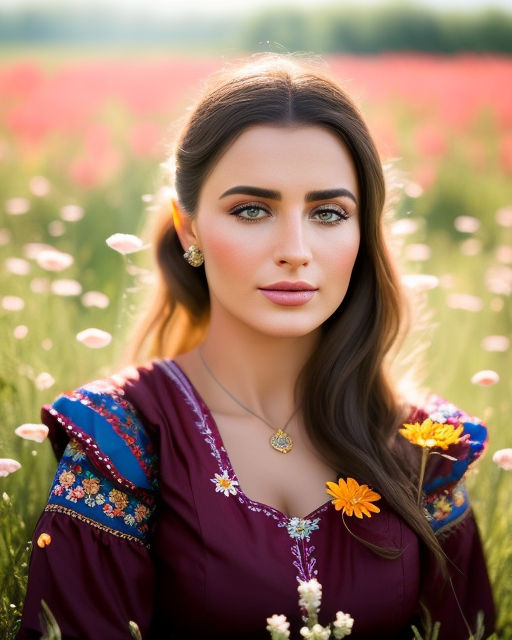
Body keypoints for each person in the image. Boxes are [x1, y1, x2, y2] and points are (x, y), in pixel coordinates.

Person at [16, 53, 495, 640]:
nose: (295, 248)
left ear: (363, 230)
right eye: (252, 210)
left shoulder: (423, 449)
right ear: (188, 226)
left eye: (327, 212)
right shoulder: (123, 443)